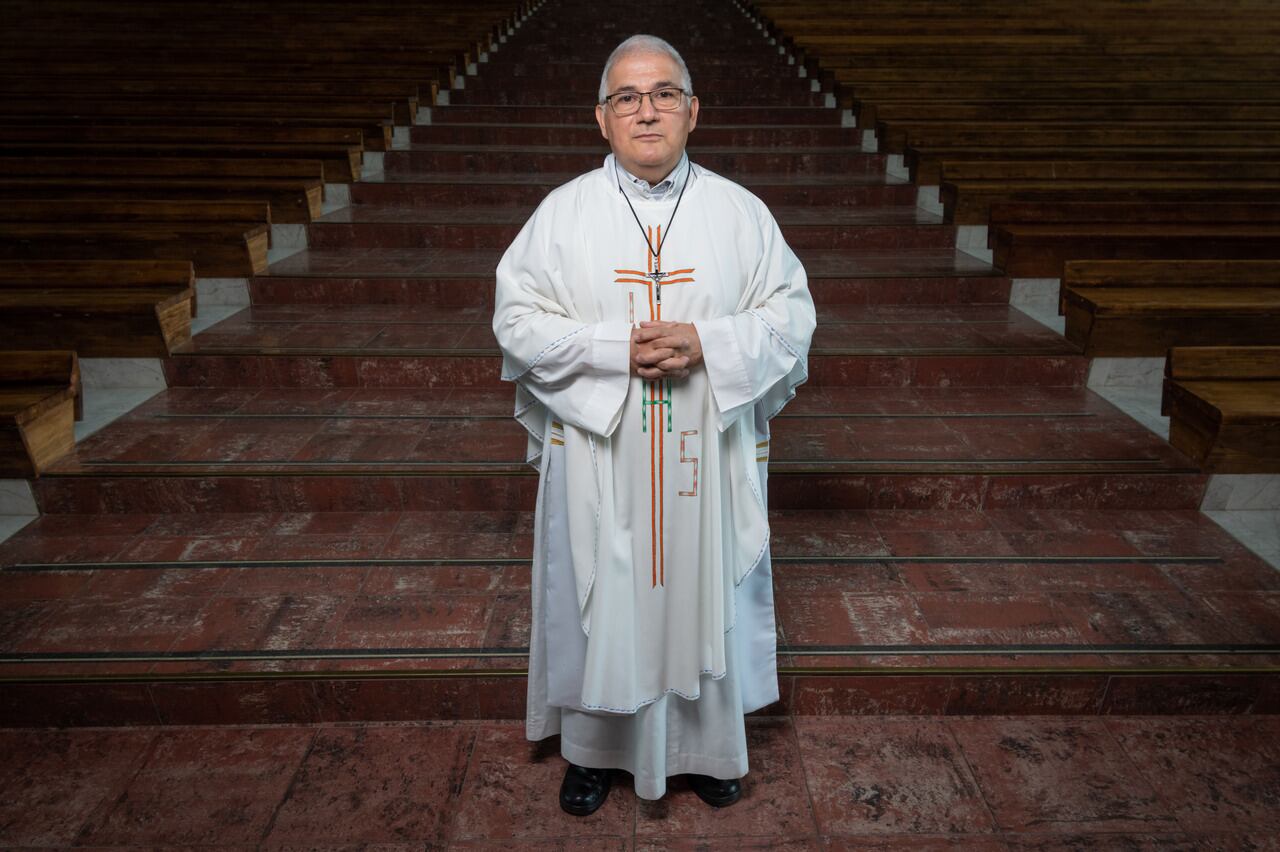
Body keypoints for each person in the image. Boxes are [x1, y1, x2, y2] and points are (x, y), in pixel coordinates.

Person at [492, 34, 815, 814]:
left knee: (701, 588)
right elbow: (515, 319)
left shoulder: (743, 214)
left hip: (704, 453)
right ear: (601, 118)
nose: (647, 111)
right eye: (627, 98)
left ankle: (705, 751)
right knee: (601, 596)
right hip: (602, 456)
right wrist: (614, 350)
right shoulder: (561, 214)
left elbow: (792, 316)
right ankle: (595, 752)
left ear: (693, 111)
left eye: (665, 94)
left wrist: (708, 343)